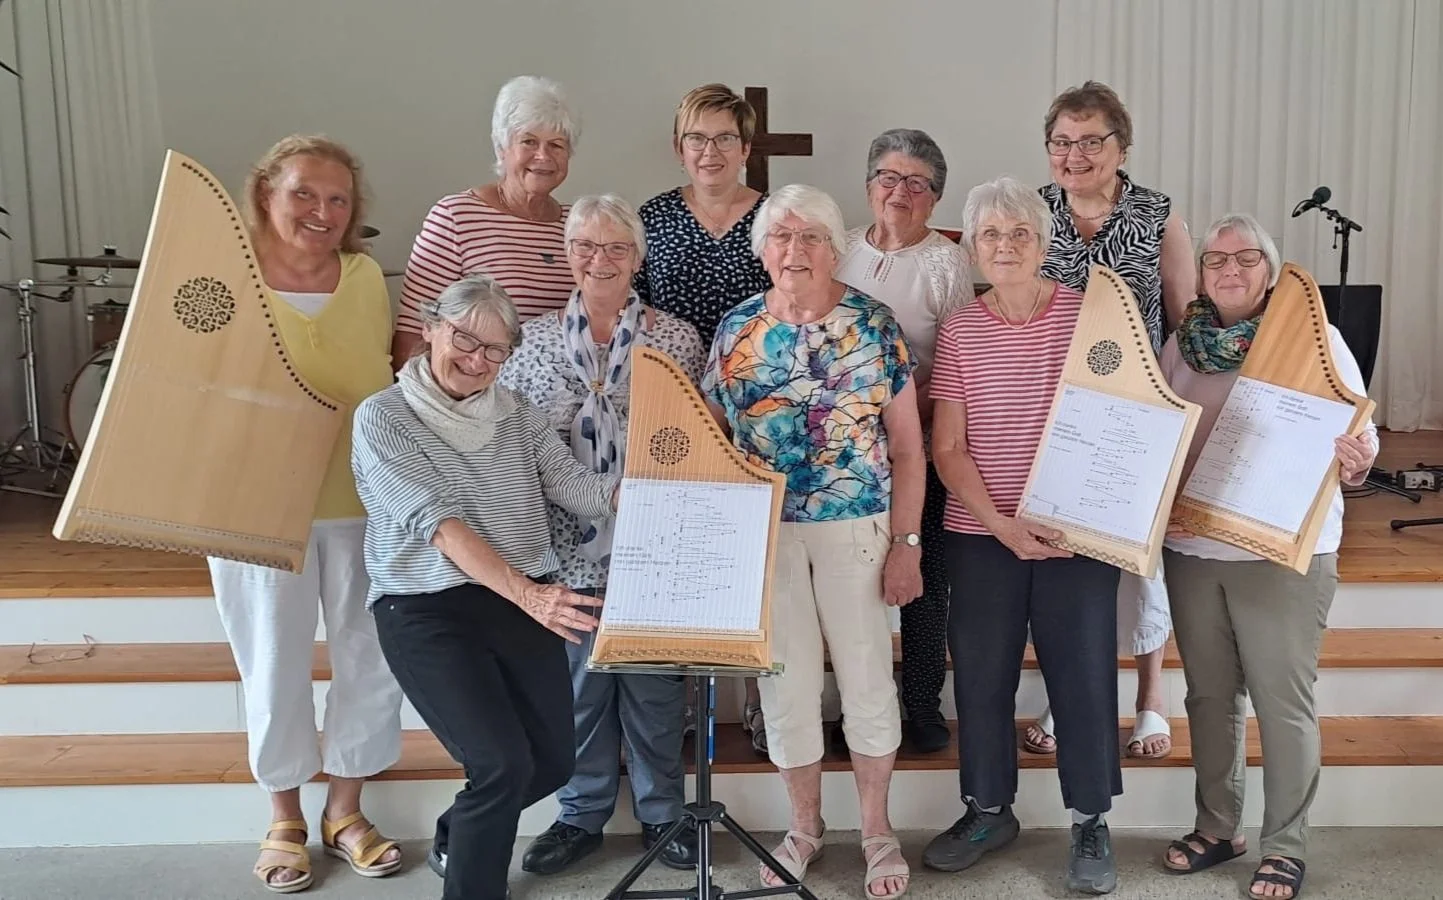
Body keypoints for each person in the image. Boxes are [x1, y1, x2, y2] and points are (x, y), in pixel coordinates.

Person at [353, 273, 621, 900]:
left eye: (494, 350)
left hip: (519, 601)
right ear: (429, 328)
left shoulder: (518, 415)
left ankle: (460, 830)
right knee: (500, 765)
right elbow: (439, 526)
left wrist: (647, 490)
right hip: (425, 609)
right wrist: (529, 594)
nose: (476, 360)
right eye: (464, 340)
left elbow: (576, 489)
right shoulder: (382, 417)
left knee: (553, 761)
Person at [703, 184, 924, 899]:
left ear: (834, 250)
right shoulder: (735, 329)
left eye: (809, 239)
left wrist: (906, 543)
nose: (793, 251)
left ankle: (876, 833)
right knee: (784, 688)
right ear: (761, 249)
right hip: (762, 534)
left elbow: (910, 451)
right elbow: (710, 440)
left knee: (864, 680)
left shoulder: (872, 324)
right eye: (780, 237)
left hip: (854, 525)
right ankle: (803, 829)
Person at [1158, 214, 1376, 900]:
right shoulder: (1179, 343)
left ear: (1270, 270)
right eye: (1215, 258)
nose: (1227, 269)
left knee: (1282, 703)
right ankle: (1217, 827)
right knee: (1208, 694)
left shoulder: (1314, 339)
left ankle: (1284, 845)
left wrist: (1358, 462)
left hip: (1282, 551)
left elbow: (1354, 436)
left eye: (1244, 258)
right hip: (1192, 547)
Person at [208, 135, 403, 894]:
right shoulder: (224, 278)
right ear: (265, 193)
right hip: (253, 507)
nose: (321, 211)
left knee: (369, 658)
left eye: (337, 200)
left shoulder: (362, 278)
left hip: (361, 502)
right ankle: (284, 816)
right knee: (274, 664)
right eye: (303, 194)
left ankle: (346, 812)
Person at [922, 176, 1121, 895]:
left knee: (1084, 673)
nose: (1003, 246)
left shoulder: (1087, 318)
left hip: (1076, 531)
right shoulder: (959, 330)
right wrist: (1001, 525)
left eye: (1019, 234)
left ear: (1043, 243)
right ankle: (986, 809)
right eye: (989, 235)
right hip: (981, 532)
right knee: (979, 677)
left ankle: (1090, 818)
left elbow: (1115, 421)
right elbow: (948, 448)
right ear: (970, 246)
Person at [499, 195, 705, 874]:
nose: (600, 260)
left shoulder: (675, 339)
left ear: (638, 257)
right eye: (585, 246)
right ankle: (581, 813)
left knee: (653, 684)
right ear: (567, 255)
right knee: (580, 687)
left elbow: (697, 441)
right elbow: (508, 449)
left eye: (616, 247)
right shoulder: (527, 343)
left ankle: (662, 814)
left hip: (652, 539)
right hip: (563, 541)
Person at [1027, 79, 1197, 762]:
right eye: (1061, 142)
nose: (1074, 154)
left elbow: (1186, 321)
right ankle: (1070, 691)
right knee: (1068, 557)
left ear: (1119, 146)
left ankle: (1151, 696)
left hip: (1137, 411)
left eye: (1090, 140)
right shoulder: (1031, 213)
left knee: (1139, 556)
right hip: (1053, 410)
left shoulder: (1159, 215)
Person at [634, 83, 774, 754]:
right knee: (682, 560)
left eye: (723, 138)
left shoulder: (775, 217)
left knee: (754, 561)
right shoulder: (652, 218)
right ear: (677, 147)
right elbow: (634, 316)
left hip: (758, 414)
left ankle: (756, 700)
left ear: (745, 147)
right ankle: (687, 702)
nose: (709, 151)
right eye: (697, 137)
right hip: (675, 414)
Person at [836, 128, 971, 755]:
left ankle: (920, 701)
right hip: (839, 447)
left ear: (935, 199)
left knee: (924, 569)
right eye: (889, 178)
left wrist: (895, 414)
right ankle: (858, 704)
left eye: (917, 183)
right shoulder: (836, 250)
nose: (901, 192)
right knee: (846, 575)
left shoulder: (947, 263)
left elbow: (959, 358)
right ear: (868, 187)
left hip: (918, 432)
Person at [392, 75, 581, 362]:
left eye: (556, 145)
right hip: (472, 399)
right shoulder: (455, 216)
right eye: (528, 142)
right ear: (501, 148)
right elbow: (413, 334)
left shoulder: (576, 228)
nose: (543, 156)